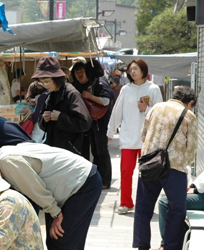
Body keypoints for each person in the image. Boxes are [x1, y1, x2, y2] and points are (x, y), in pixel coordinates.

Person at [133, 86, 197, 250]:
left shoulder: (155, 108)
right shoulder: (189, 116)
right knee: (177, 208)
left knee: (143, 206)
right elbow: (191, 147)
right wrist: (185, 162)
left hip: (149, 163)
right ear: (190, 102)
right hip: (174, 167)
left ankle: (142, 247)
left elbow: (143, 135)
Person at [106, 58, 163, 213]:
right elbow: (117, 111)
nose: (132, 72)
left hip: (147, 139)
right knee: (126, 171)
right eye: (130, 69)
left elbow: (160, 114)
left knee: (147, 174)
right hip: (128, 137)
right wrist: (110, 130)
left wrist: (146, 108)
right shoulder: (126, 89)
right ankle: (126, 203)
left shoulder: (153, 89)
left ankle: (146, 203)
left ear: (143, 70)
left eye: (135, 69)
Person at [33, 56, 92, 155]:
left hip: (71, 151)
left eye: (47, 81)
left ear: (56, 79)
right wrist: (44, 120)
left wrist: (61, 117)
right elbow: (41, 122)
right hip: (54, 149)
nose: (45, 85)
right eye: (42, 82)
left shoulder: (72, 94)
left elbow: (85, 123)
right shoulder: (50, 94)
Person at [71, 57, 114, 189]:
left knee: (101, 151)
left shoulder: (100, 83)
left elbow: (105, 101)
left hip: (100, 122)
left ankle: (105, 180)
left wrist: (89, 97)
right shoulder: (97, 82)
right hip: (96, 122)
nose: (82, 74)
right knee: (96, 151)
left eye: (84, 70)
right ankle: (100, 179)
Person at [153, 167, 204, 250]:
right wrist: (191, 186)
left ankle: (167, 243)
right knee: (168, 203)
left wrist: (194, 190)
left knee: (165, 202)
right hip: (203, 193)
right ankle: (174, 242)